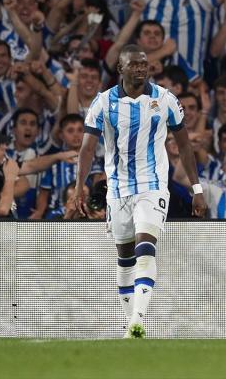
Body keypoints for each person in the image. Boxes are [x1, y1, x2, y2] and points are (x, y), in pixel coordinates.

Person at [74, 44, 207, 339]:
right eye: (134, 64)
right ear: (120, 69)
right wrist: (78, 187)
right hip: (118, 189)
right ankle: (130, 325)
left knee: (145, 246)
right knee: (124, 257)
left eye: (144, 64)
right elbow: (86, 149)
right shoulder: (103, 102)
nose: (141, 68)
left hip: (153, 184)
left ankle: (139, 316)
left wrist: (196, 188)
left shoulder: (165, 99)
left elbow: (184, 144)